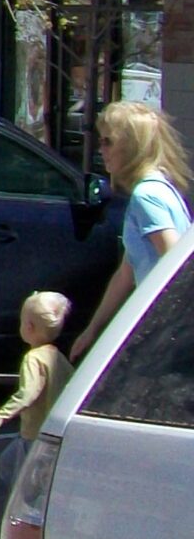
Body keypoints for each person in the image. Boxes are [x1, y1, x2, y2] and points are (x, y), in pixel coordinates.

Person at [75, 99, 193, 359]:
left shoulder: (146, 195)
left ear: (131, 147)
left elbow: (174, 265)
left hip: (165, 328)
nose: (101, 149)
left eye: (108, 142)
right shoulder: (162, 188)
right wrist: (92, 330)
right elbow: (125, 274)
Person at [0, 290, 74, 483]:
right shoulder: (57, 355)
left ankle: (24, 508)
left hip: (33, 431)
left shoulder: (32, 358)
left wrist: (1, 415)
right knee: (10, 462)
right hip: (50, 428)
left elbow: (28, 393)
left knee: (22, 477)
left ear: (28, 327)